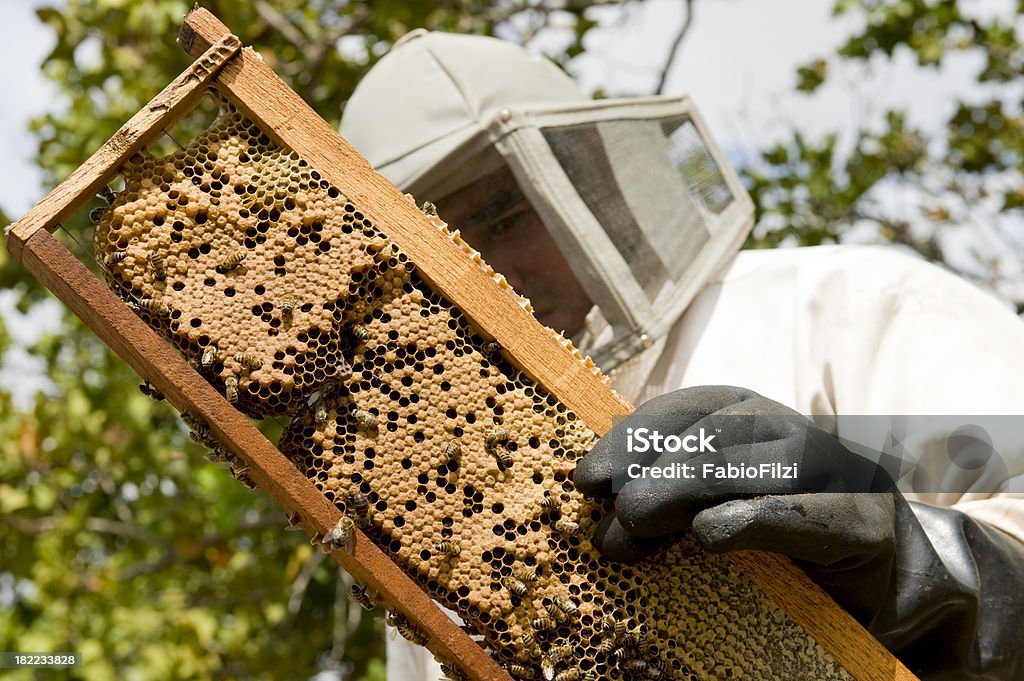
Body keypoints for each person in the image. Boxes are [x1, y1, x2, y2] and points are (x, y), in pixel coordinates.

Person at [339, 30, 1024, 680]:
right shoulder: (434, 509)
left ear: (591, 181)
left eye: (503, 218)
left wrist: (907, 569)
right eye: (434, 252)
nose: (489, 273)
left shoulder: (840, 310)